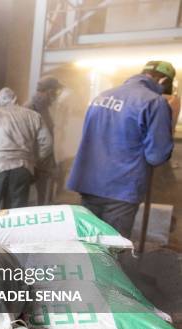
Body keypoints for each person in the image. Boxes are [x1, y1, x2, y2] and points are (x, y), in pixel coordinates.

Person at [67, 61, 176, 238]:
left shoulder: (102, 96)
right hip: (121, 188)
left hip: (88, 182)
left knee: (87, 242)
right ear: (163, 80)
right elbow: (156, 155)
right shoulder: (154, 102)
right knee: (111, 249)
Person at [0, 87, 53, 209]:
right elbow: (47, 144)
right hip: (23, 167)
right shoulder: (34, 116)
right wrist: (35, 160)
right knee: (16, 212)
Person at [25, 76, 63, 205]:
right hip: (35, 164)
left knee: (43, 202)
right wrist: (38, 160)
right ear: (48, 91)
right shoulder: (30, 109)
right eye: (55, 92)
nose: (56, 96)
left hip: (43, 164)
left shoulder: (44, 108)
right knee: (33, 203)